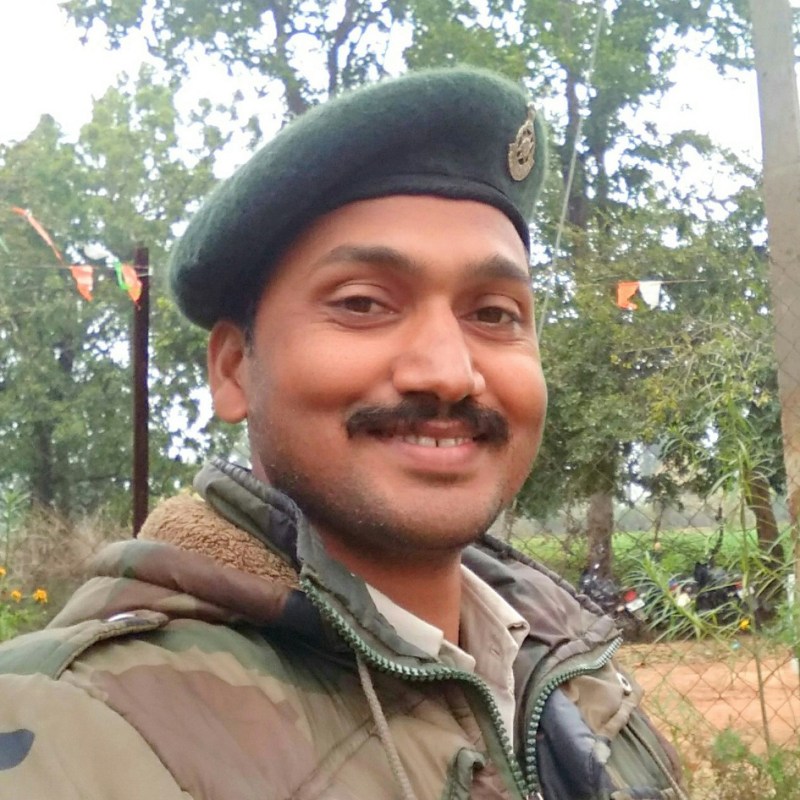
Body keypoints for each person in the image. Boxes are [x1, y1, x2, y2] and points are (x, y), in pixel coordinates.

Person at [0, 67, 687, 800]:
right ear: (233, 370)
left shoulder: (575, 672)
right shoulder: (78, 727)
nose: (448, 373)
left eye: (494, 314)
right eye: (363, 303)